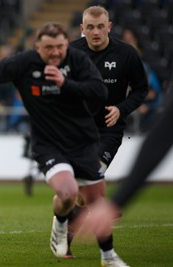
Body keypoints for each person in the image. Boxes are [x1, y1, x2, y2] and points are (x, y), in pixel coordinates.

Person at [0, 22, 128, 266]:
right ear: (37, 47)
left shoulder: (77, 61)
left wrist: (66, 84)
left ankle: (108, 257)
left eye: (59, 47)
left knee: (96, 202)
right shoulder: (24, 63)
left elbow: (99, 91)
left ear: (67, 44)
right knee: (68, 192)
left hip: (83, 142)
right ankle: (62, 223)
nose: (55, 52)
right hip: (48, 144)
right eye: (48, 48)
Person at [65, 5, 149, 259]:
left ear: (109, 27)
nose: (96, 32)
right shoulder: (70, 53)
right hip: (76, 131)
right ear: (82, 29)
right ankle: (76, 223)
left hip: (108, 131)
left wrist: (122, 109)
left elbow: (141, 90)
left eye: (101, 26)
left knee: (88, 179)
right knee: (81, 190)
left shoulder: (126, 54)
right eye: (90, 27)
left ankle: (80, 222)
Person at [76, 90, 173, 239]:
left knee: (86, 181)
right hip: (87, 133)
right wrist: (116, 203)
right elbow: (161, 138)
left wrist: (116, 202)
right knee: (82, 186)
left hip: (108, 134)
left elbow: (159, 140)